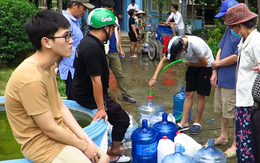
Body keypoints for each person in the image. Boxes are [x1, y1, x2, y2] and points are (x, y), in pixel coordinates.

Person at [4, 10, 109, 163]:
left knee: (103, 158)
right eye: (66, 36)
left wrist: (86, 139)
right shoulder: (30, 78)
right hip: (42, 146)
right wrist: (84, 147)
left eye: (70, 35)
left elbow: (60, 106)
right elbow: (49, 128)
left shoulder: (48, 67)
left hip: (59, 136)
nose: (71, 41)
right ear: (46, 42)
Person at [71, 8, 130, 162]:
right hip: (89, 96)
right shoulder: (92, 47)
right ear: (106, 27)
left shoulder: (88, 41)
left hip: (80, 91)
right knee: (123, 119)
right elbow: (95, 80)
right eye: (111, 28)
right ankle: (114, 151)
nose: (112, 31)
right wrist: (101, 108)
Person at [149, 36, 214, 134]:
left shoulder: (195, 45)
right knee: (188, 93)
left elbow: (204, 63)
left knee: (200, 95)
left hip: (206, 66)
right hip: (192, 64)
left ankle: (197, 122)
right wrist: (154, 78)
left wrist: (189, 64)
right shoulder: (175, 43)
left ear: (183, 48)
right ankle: (184, 122)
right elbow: (163, 61)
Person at [225, 3, 259, 162]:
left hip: (250, 104)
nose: (232, 31)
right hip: (242, 101)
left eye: (233, 27)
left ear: (239, 25)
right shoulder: (245, 41)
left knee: (249, 144)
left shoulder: (256, 41)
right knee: (241, 142)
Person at [209, 0, 240, 159]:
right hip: (221, 77)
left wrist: (218, 63)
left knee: (234, 112)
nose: (223, 20)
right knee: (222, 109)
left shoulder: (241, 31)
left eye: (225, 16)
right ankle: (223, 136)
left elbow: (236, 56)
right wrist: (215, 70)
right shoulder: (229, 29)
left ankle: (236, 144)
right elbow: (221, 48)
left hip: (232, 80)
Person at [56, 0, 94, 100]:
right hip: (70, 67)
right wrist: (56, 64)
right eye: (83, 8)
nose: (85, 11)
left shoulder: (74, 21)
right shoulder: (65, 21)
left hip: (75, 66)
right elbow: (60, 44)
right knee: (73, 97)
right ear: (74, 6)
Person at [101, 0, 136, 104]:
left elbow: (118, 34)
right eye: (109, 9)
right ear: (103, 7)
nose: (111, 12)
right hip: (104, 51)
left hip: (114, 51)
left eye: (112, 10)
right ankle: (105, 96)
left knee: (119, 74)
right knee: (105, 75)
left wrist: (120, 49)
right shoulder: (99, 19)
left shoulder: (114, 18)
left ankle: (125, 95)